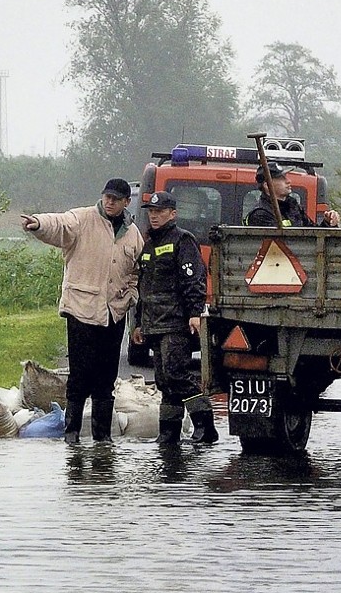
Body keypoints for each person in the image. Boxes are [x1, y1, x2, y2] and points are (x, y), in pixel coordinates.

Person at [21, 179, 144, 443]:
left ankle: (102, 438)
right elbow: (59, 225)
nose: (109, 201)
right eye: (107, 196)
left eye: (115, 198)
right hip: (81, 310)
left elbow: (134, 272)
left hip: (114, 314)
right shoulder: (82, 219)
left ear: (126, 202)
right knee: (79, 375)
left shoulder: (133, 233)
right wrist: (38, 224)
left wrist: (130, 295)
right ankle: (72, 434)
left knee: (106, 378)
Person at [131, 191, 219, 446]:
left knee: (176, 374)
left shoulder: (183, 240)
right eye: (151, 212)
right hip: (153, 323)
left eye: (159, 212)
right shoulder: (149, 244)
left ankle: (205, 426)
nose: (154, 216)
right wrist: (138, 322)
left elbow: (194, 280)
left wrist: (194, 313)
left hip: (176, 323)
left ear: (173, 214)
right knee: (163, 381)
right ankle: (168, 433)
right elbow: (143, 287)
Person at [245, 161, 340, 227]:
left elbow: (312, 236)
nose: (288, 181)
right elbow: (276, 248)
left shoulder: (293, 205)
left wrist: (328, 222)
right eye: (281, 178)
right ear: (267, 185)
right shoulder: (260, 214)